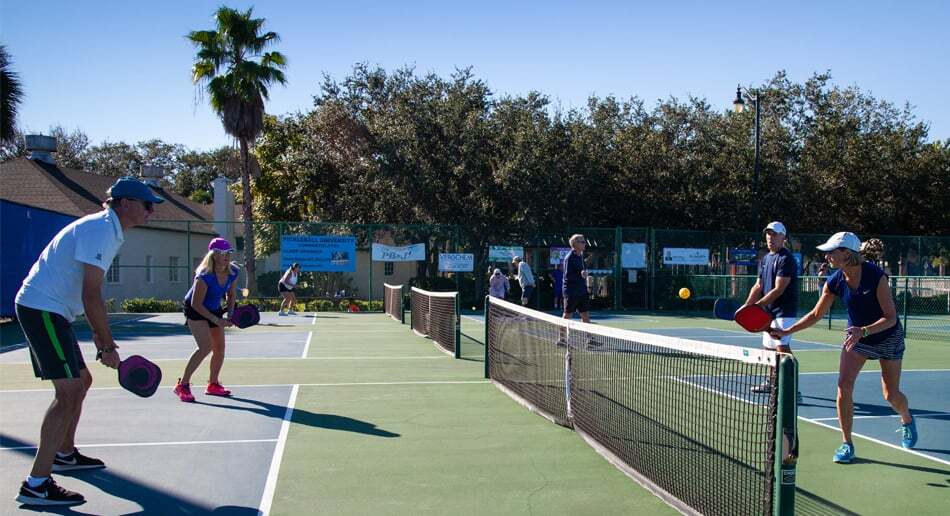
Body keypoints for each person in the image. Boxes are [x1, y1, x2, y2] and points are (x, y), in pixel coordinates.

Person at [13, 176, 163, 506]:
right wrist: (107, 346)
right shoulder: (100, 230)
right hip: (42, 310)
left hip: (55, 311)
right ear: (125, 203)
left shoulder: (108, 230)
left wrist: (99, 336)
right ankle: (36, 483)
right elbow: (91, 293)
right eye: (147, 205)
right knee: (67, 393)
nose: (152, 212)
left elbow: (87, 290)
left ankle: (64, 453)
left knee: (82, 380)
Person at [770, 231, 916, 463]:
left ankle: (906, 418)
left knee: (891, 395)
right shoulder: (835, 280)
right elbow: (816, 314)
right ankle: (847, 443)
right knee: (843, 386)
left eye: (831, 252)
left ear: (846, 254)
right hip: (856, 339)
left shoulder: (876, 277)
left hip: (886, 336)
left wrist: (864, 330)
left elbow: (891, 318)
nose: (827, 256)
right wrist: (787, 331)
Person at [741, 222, 802, 403]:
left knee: (782, 350)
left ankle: (793, 390)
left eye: (774, 235)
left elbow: (779, 289)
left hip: (784, 312)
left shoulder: (786, 259)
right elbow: (758, 285)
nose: (770, 238)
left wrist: (756, 307)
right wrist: (746, 306)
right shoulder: (766, 259)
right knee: (768, 351)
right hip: (768, 313)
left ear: (783, 237)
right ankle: (772, 382)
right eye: (768, 234)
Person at [174, 238, 239, 402]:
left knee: (220, 349)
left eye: (228, 253)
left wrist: (230, 314)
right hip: (195, 309)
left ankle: (213, 384)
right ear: (213, 255)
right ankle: (183, 385)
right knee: (205, 347)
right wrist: (217, 320)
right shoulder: (204, 276)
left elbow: (231, 295)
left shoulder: (232, 272)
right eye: (222, 253)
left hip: (213, 308)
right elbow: (196, 304)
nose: (226, 256)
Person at [562, 234, 591, 323]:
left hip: (582, 290)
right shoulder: (569, 258)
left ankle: (588, 336)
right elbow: (568, 276)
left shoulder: (581, 257)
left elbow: (581, 271)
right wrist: (580, 275)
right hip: (571, 292)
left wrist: (583, 273)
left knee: (585, 314)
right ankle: (562, 337)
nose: (585, 243)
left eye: (584, 242)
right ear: (575, 244)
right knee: (567, 315)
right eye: (582, 242)